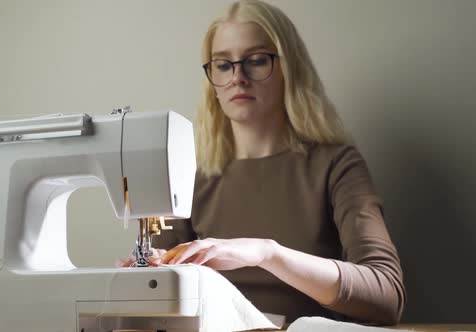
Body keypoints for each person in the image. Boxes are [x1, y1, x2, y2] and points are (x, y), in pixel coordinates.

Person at [118, 0, 406, 325]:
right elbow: (156, 293)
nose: (238, 77)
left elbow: (386, 294)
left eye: (256, 61)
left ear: (289, 69)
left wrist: (269, 254)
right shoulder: (190, 175)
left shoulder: (336, 165)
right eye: (223, 65)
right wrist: (142, 278)